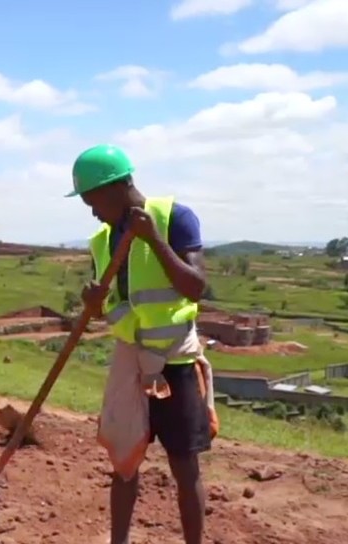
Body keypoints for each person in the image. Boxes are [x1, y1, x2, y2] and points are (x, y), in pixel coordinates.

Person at [67, 144, 219, 544]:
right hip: (132, 365)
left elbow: (196, 287)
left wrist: (153, 239)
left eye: (92, 200)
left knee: (184, 468)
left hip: (176, 362)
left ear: (119, 186)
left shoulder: (175, 219)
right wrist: (94, 303)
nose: (92, 211)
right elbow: (116, 307)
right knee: (124, 464)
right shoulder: (102, 241)